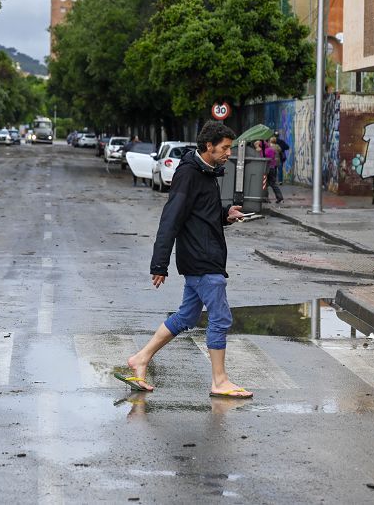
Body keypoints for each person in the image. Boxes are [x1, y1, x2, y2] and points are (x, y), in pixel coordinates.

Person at [115, 121, 252, 398]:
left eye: (230, 148)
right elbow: (171, 218)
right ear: (208, 146)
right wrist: (159, 264)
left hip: (202, 255)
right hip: (202, 259)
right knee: (220, 318)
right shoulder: (189, 174)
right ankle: (219, 380)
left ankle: (141, 358)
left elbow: (201, 215)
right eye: (224, 148)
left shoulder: (207, 172)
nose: (228, 153)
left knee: (187, 315)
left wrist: (226, 214)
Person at [266, 135, 285, 204]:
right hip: (274, 165)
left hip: (268, 167)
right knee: (273, 183)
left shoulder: (268, 149)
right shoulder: (277, 147)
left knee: (265, 184)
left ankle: (265, 198)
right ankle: (279, 197)